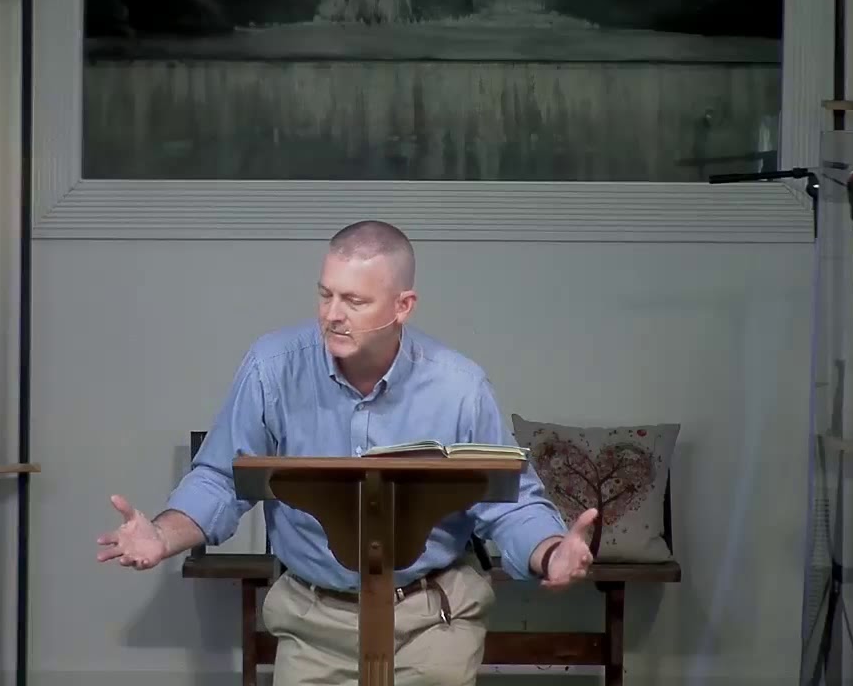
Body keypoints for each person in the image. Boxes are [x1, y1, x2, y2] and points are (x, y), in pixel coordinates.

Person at [96, 220, 600, 685]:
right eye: (326, 294)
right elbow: (223, 478)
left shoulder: (459, 387)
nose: (332, 315)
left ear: (403, 306)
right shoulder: (272, 367)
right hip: (312, 620)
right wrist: (163, 534)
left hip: (431, 618)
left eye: (354, 301)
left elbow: (508, 501)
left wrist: (550, 551)